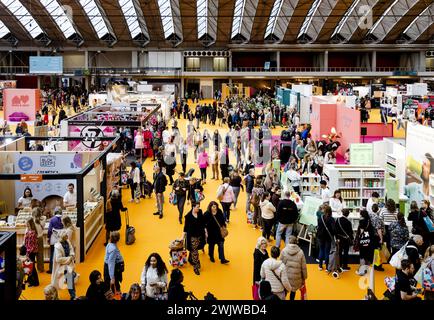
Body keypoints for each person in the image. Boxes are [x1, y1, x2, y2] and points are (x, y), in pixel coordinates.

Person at [280, 236, 307, 300]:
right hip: (296, 277)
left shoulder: (284, 251)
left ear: (289, 241)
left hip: (286, 275)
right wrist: (304, 277)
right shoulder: (301, 252)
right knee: (293, 291)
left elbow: (280, 264)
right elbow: (303, 266)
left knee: (285, 290)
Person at [183, 202, 207, 275]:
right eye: (197, 207)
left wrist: (205, 231)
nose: (198, 208)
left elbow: (203, 223)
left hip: (200, 235)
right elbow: (185, 228)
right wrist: (182, 236)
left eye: (199, 207)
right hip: (192, 236)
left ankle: (191, 259)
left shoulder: (200, 213)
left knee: (195, 249)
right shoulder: (188, 216)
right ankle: (196, 266)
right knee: (194, 250)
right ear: (193, 207)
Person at [51, 230, 76, 299]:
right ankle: (55, 296)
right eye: (66, 236)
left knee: (70, 281)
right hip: (60, 267)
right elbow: (58, 259)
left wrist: (71, 256)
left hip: (68, 266)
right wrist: (69, 259)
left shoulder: (67, 242)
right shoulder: (57, 246)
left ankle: (73, 296)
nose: (67, 236)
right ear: (63, 237)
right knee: (56, 283)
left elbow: (71, 250)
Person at [355, 209, 376, 275]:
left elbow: (361, 231)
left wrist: (358, 237)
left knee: (362, 255)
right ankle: (366, 270)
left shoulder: (362, 221)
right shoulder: (369, 221)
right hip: (369, 240)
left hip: (363, 241)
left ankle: (361, 271)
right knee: (367, 255)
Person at [317, 205, 335, 271]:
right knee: (327, 252)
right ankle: (327, 267)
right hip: (328, 237)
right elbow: (333, 230)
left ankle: (320, 266)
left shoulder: (320, 218)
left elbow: (318, 227)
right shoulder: (331, 219)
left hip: (320, 236)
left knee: (321, 250)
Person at [47, 208, 64, 274]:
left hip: (54, 239)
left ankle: (51, 269)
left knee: (52, 253)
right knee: (61, 254)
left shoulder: (52, 219)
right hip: (61, 238)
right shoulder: (63, 219)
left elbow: (49, 230)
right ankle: (60, 269)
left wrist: (48, 237)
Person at [23, 218, 39, 287]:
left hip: (31, 251)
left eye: (27, 224)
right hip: (31, 251)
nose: (26, 225)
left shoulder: (32, 233)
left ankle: (35, 282)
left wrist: (28, 253)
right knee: (30, 266)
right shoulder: (31, 231)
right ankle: (30, 280)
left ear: (30, 224)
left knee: (31, 267)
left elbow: (31, 245)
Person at [32, 207, 46, 273]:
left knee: (32, 254)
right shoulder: (44, 219)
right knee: (40, 254)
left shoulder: (32, 220)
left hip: (33, 238)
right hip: (40, 238)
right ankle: (41, 268)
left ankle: (32, 268)